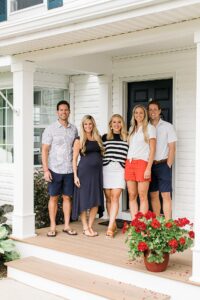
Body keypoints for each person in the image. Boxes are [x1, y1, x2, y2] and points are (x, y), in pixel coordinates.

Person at [42, 100, 78, 237]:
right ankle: (52, 226)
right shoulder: (50, 129)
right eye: (61, 110)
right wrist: (46, 170)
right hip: (54, 169)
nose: (64, 112)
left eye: (66, 110)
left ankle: (67, 226)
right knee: (53, 198)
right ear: (57, 112)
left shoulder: (74, 129)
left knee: (67, 198)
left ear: (69, 111)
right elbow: (45, 150)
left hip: (69, 169)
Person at [72, 115, 104, 237]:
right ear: (83, 125)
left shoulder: (98, 138)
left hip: (96, 174)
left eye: (90, 124)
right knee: (84, 201)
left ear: (93, 125)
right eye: (86, 124)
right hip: (84, 173)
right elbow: (74, 159)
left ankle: (90, 226)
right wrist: (75, 176)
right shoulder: (79, 140)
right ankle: (85, 227)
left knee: (95, 201)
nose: (88, 126)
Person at [125, 105, 156, 220]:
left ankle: (141, 225)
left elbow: (153, 150)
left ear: (145, 114)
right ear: (134, 115)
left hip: (142, 163)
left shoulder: (150, 128)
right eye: (136, 113)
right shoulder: (132, 129)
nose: (138, 115)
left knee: (143, 196)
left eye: (141, 113)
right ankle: (135, 223)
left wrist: (148, 168)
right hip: (130, 163)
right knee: (132, 195)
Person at [148, 100, 177, 220]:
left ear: (160, 111)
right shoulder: (146, 127)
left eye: (155, 109)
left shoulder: (168, 127)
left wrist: (168, 164)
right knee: (153, 194)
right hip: (149, 165)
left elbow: (172, 148)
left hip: (163, 165)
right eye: (150, 109)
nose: (153, 111)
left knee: (165, 195)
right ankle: (157, 223)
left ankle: (168, 224)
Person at [102, 114, 128, 238]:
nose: (116, 124)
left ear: (122, 124)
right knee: (108, 198)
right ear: (110, 125)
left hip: (120, 170)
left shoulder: (127, 137)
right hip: (106, 169)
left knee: (115, 197)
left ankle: (110, 227)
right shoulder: (104, 137)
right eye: (114, 122)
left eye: (119, 122)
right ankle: (113, 224)